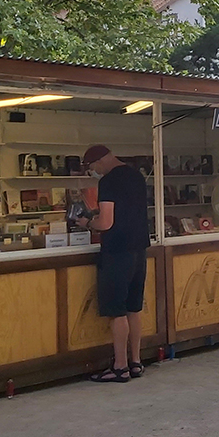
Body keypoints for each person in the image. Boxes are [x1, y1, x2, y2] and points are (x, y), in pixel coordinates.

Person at [84, 145, 151, 382]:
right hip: (139, 249)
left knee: (117, 311)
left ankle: (120, 367)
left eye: (93, 168)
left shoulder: (109, 182)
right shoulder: (136, 176)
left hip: (117, 251)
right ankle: (135, 362)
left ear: (100, 161)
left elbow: (106, 222)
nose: (94, 173)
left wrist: (88, 223)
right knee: (134, 308)